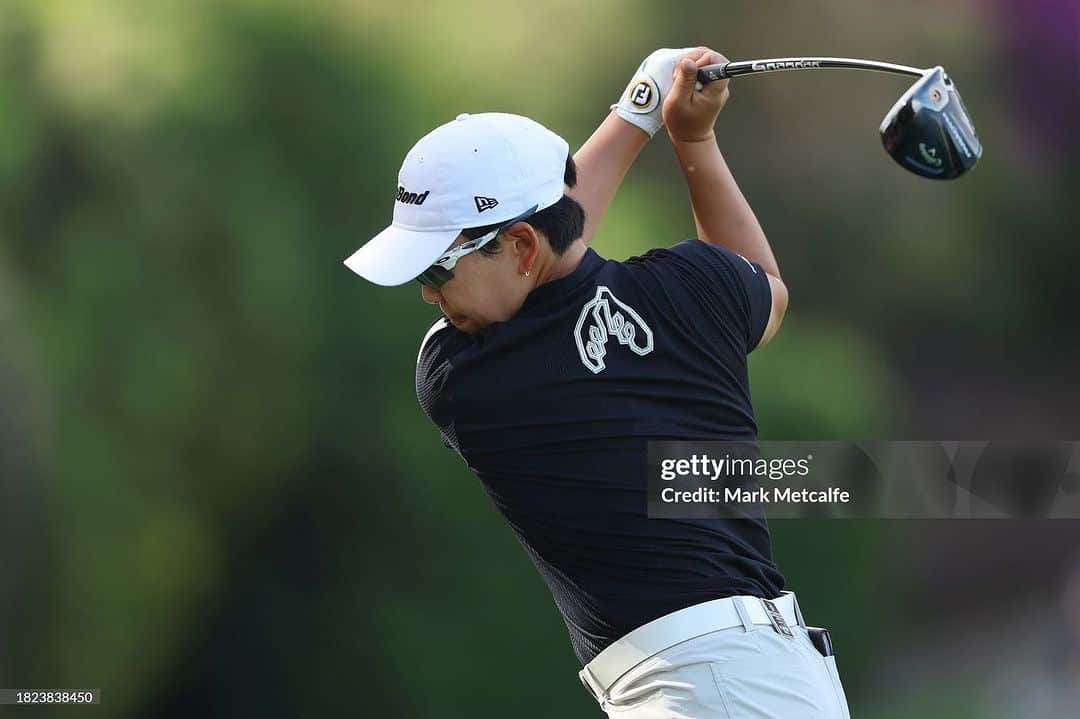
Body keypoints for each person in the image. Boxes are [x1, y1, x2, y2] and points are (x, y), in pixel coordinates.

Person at [345, 47, 852, 718]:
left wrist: (638, 116)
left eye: (436, 270)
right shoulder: (695, 285)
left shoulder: (462, 374)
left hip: (711, 689)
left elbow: (551, 239)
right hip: (757, 678)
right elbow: (768, 290)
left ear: (522, 247)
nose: (429, 296)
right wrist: (689, 136)